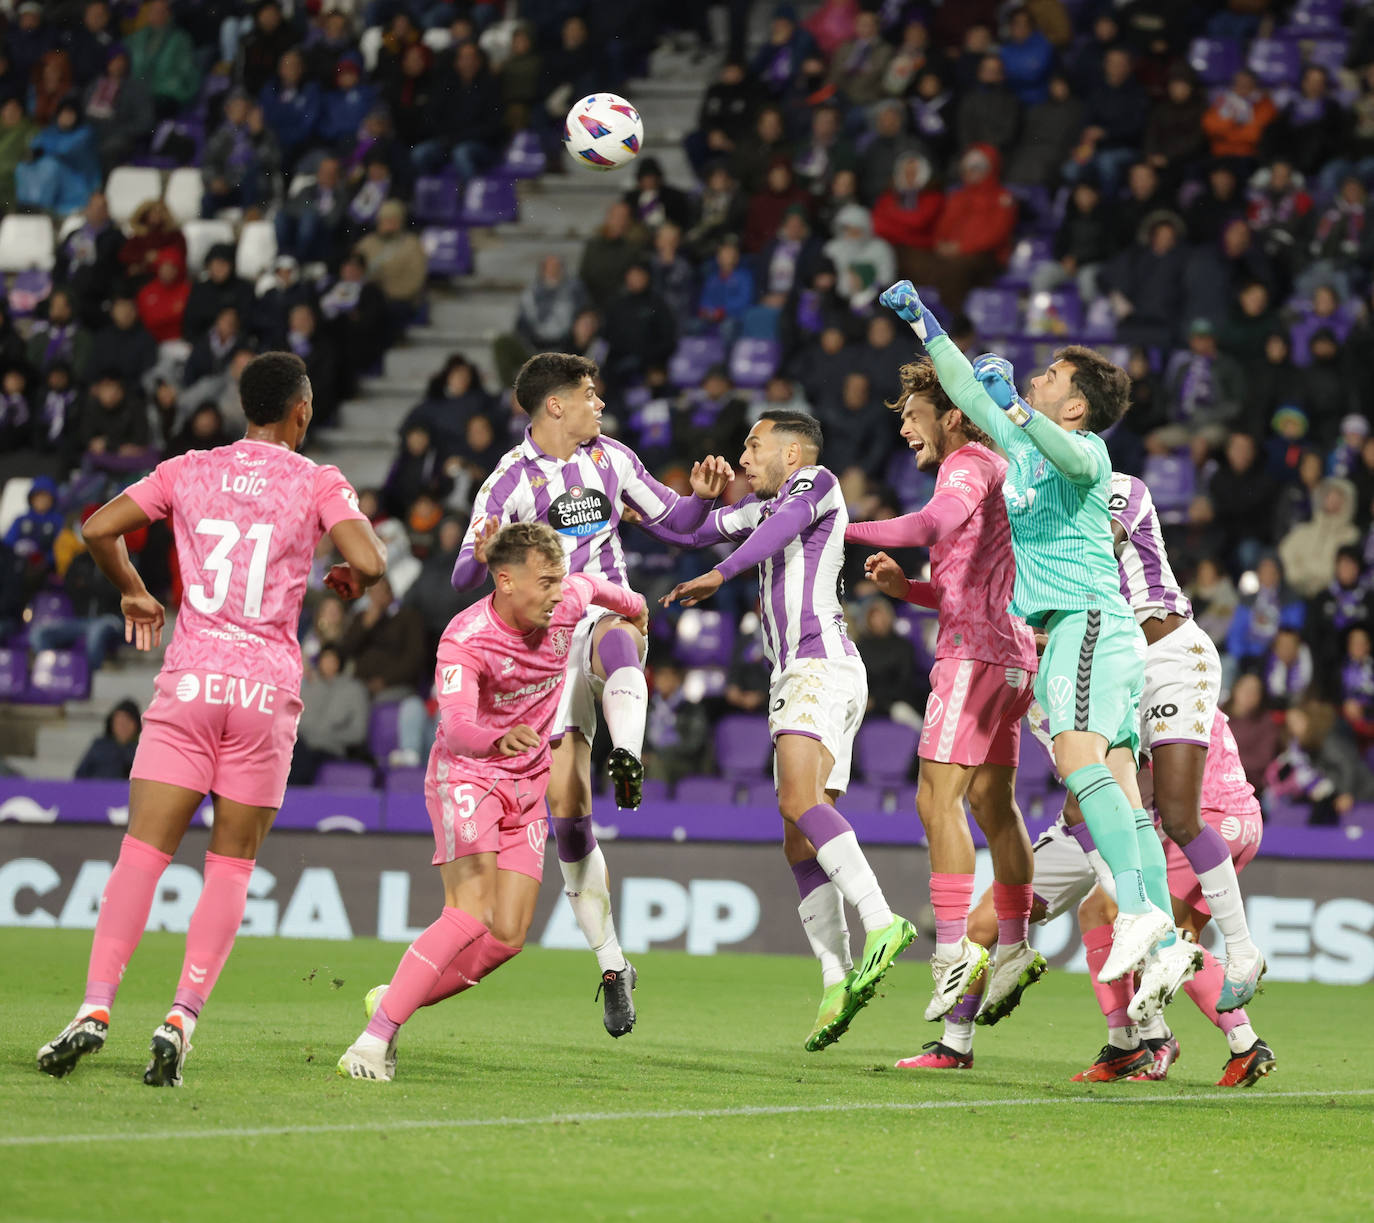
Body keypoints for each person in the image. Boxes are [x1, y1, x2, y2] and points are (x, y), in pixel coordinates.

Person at [37, 352, 387, 1088]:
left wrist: (133, 590)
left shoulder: (186, 468)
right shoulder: (316, 479)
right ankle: (179, 1018)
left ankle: (94, 1009)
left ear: (242, 408)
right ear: (301, 411)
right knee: (230, 864)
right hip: (263, 694)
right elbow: (371, 559)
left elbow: (100, 528)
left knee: (142, 853)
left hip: (191, 678)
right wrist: (352, 573)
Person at [878, 280, 1188, 1017]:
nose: (1032, 379)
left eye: (1048, 377)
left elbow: (1080, 466)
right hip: (1093, 637)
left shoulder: (1085, 450)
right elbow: (962, 386)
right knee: (1116, 784)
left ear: (1074, 405)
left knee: (1079, 762)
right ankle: (1167, 936)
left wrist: (1017, 406)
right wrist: (928, 324)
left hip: (1085, 625)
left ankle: (1142, 909)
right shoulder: (1018, 443)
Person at [449, 352, 734, 1036]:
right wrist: (484, 552)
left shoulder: (612, 460)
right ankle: (612, 964)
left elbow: (680, 524)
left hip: (602, 612)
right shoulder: (507, 482)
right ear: (555, 405)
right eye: (588, 394)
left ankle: (628, 756)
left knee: (620, 632)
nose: (599, 404)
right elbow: (462, 573)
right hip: (540, 657)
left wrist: (702, 495)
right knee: (568, 816)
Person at [339, 522, 648, 1082]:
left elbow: (602, 591)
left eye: (559, 580)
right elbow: (455, 726)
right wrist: (496, 738)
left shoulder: (567, 600)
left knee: (507, 936)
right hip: (469, 777)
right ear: (504, 581)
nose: (558, 592)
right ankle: (370, 1043)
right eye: (545, 582)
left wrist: (636, 607)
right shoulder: (465, 639)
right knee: (469, 914)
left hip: (527, 787)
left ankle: (396, 997)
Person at [656, 411, 917, 1050]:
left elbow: (778, 533)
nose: (743, 453)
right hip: (797, 675)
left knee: (796, 802)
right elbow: (690, 533)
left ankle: (883, 922)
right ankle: (838, 977)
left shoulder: (817, 484)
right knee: (799, 840)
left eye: (753, 443)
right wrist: (688, 499)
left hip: (818, 665)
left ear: (792, 450)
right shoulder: (762, 507)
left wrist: (722, 574)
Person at [842, 358, 1040, 1026]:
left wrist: (834, 529)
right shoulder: (999, 469)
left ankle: (954, 952)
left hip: (972, 657)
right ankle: (1012, 946)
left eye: (913, 416)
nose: (905, 430)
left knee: (936, 796)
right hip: (1013, 657)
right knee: (992, 802)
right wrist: (910, 591)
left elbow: (929, 526)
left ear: (953, 414)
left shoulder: (966, 463)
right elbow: (968, 579)